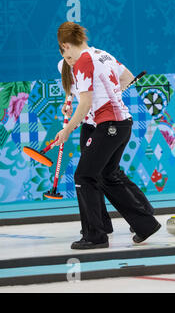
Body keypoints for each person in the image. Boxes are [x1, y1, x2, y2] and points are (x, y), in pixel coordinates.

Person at [55, 22, 160, 249]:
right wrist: (113, 94)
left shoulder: (83, 60)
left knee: (84, 176)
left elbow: (84, 104)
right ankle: (145, 224)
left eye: (64, 53)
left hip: (108, 125)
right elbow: (128, 77)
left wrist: (66, 130)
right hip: (122, 124)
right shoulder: (102, 54)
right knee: (106, 176)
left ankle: (95, 235)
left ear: (65, 46)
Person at [58, 55, 113, 236]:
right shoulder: (63, 66)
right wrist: (67, 103)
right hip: (88, 124)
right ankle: (100, 223)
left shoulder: (89, 62)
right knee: (90, 176)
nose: (70, 58)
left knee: (98, 174)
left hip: (104, 124)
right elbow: (72, 89)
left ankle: (143, 217)